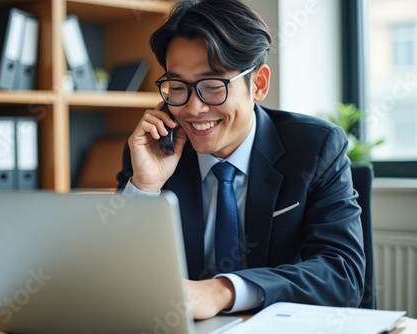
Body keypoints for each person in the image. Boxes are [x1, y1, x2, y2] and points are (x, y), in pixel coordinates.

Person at [116, 0, 365, 320]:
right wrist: (145, 188)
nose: (192, 109)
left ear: (258, 84)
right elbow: (118, 279)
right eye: (177, 87)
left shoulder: (314, 148)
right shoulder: (153, 151)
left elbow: (341, 273)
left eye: (212, 86)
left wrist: (224, 291)